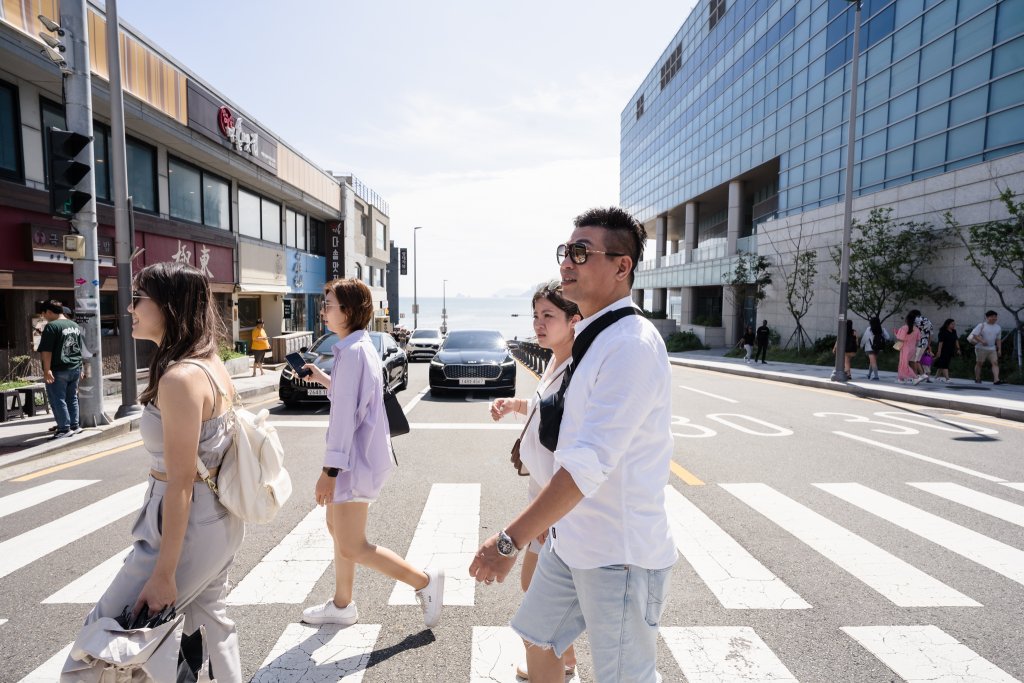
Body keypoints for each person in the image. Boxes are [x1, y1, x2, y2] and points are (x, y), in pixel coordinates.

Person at [470, 207, 677, 683]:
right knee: (537, 636)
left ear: (622, 266)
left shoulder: (630, 344)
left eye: (582, 253)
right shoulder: (592, 337)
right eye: (566, 251)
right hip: (572, 542)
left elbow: (587, 464)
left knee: (625, 677)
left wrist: (510, 540)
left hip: (618, 555)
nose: (568, 262)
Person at [63, 262, 245, 681]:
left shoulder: (181, 378)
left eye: (138, 298)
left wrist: (163, 573)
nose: (129, 309)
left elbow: (180, 481)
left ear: (168, 305)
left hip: (187, 523)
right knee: (212, 628)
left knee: (98, 649)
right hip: (216, 518)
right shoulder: (209, 364)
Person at [299, 278, 444, 629]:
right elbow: (354, 398)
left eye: (329, 304)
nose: (324, 310)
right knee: (337, 529)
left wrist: (328, 472)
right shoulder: (358, 346)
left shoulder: (351, 352)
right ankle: (342, 604)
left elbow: (347, 416)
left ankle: (424, 582)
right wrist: (323, 378)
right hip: (356, 458)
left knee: (352, 545)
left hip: (353, 462)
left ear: (348, 311)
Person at [490, 281, 581, 680]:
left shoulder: (577, 368)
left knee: (536, 593)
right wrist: (516, 405)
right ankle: (566, 659)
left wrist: (549, 518)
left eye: (549, 316)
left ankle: (556, 663)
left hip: (554, 506)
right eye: (536, 316)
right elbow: (547, 408)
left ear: (573, 320)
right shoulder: (556, 363)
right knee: (535, 585)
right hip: (542, 501)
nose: (538, 325)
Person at [36, 300, 83, 439]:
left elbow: (46, 351)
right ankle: (75, 426)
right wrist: (81, 367)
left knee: (58, 399)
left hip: (58, 369)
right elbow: (79, 348)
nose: (44, 317)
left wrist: (47, 369)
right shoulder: (74, 325)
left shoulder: (51, 326)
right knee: (72, 398)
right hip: (74, 367)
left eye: (44, 314)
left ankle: (64, 429)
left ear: (49, 312)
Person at [968, 310, 1004, 385]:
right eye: (992, 317)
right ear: (987, 317)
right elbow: (975, 335)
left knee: (995, 363)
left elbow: (998, 339)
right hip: (980, 348)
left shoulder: (998, 327)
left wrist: (999, 349)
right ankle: (977, 378)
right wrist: (982, 341)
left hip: (992, 348)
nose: (994, 318)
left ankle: (996, 380)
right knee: (980, 363)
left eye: (995, 317)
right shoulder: (981, 325)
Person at [895, 311, 922, 383]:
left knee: (903, 363)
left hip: (905, 348)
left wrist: (896, 333)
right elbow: (918, 340)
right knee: (903, 363)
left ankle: (915, 377)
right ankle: (901, 378)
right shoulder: (917, 329)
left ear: (907, 320)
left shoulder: (904, 328)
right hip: (912, 348)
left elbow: (901, 339)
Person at [861, 316, 889, 380]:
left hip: (870, 348)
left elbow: (864, 338)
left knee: (873, 362)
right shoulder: (882, 329)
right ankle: (869, 374)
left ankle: (876, 376)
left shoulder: (869, 329)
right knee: (872, 362)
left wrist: (861, 345)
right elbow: (888, 337)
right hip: (877, 348)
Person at [932, 319, 960, 383]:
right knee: (944, 365)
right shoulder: (943, 332)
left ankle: (936, 378)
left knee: (942, 364)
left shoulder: (954, 331)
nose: (953, 325)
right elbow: (940, 342)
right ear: (947, 324)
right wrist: (939, 351)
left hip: (950, 350)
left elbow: (956, 340)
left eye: (954, 324)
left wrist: (958, 349)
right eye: (952, 324)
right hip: (943, 350)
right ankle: (947, 379)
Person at [914, 313, 934, 383]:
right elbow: (931, 335)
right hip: (924, 343)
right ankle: (918, 377)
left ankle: (918, 376)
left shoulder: (915, 320)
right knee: (917, 360)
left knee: (915, 360)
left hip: (916, 342)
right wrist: (928, 345)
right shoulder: (928, 322)